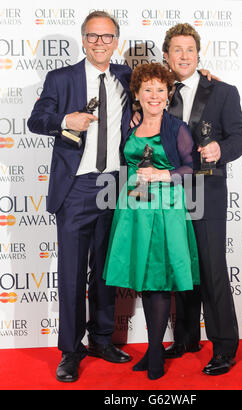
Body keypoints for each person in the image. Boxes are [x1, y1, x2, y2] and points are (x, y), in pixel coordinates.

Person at [27, 11, 133, 383]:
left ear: (116, 40)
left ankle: (102, 340)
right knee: (72, 273)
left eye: (107, 37)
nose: (99, 43)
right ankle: (71, 350)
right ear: (83, 39)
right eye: (93, 36)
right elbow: (35, 120)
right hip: (75, 187)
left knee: (105, 270)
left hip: (114, 185)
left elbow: (166, 86)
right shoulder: (61, 78)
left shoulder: (127, 77)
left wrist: (205, 79)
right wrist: (64, 122)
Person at [102, 63, 200, 380]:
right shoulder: (131, 128)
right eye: (148, 90)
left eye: (161, 89)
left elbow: (192, 167)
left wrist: (163, 174)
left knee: (157, 280)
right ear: (137, 94)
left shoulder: (176, 129)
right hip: (133, 210)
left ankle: (155, 352)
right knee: (143, 279)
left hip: (164, 209)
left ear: (169, 94)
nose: (154, 96)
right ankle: (153, 348)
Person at [162, 23, 242, 375]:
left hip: (207, 190)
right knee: (180, 265)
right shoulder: (157, 91)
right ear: (166, 56)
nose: (184, 56)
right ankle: (185, 337)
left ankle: (224, 346)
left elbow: (241, 137)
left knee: (212, 268)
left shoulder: (223, 91)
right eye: (177, 50)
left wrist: (220, 148)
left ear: (198, 53)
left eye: (189, 49)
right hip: (167, 192)